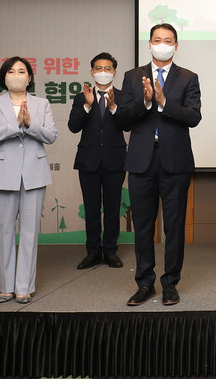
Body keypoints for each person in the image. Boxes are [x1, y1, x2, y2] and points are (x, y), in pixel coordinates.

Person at [117, 23, 201, 306]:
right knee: (142, 225)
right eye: (157, 39)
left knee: (174, 226)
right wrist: (144, 102)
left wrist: (164, 102)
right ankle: (144, 283)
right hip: (141, 161)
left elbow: (194, 117)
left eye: (168, 40)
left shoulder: (188, 77)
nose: (162, 44)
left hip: (175, 161)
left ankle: (170, 283)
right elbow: (124, 119)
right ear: (149, 43)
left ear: (176, 45)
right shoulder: (132, 76)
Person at [0, 57, 57, 304]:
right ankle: (6, 287)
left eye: (21, 71)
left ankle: (24, 287)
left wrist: (30, 124)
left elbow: (51, 135)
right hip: (2, 175)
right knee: (3, 233)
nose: (16, 75)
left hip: (34, 174)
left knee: (29, 233)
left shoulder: (41, 103)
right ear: (3, 77)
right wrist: (15, 125)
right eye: (11, 71)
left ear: (29, 77)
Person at [68, 52, 127, 270]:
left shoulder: (122, 97)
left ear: (114, 72)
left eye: (107, 68)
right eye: (99, 68)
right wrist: (87, 105)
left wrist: (113, 108)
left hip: (115, 160)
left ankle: (110, 251)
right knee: (91, 209)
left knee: (112, 208)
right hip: (89, 160)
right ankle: (93, 251)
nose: (103, 72)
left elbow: (128, 125)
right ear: (92, 72)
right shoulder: (82, 97)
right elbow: (73, 126)